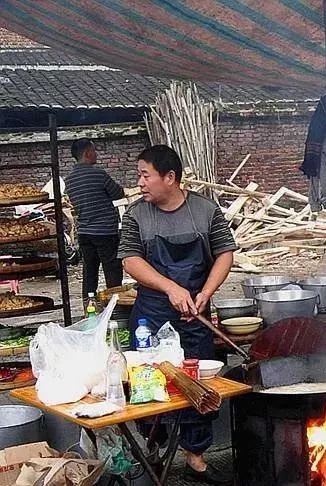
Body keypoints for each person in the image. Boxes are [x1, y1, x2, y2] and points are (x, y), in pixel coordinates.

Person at [118, 145, 236, 485]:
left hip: (194, 315)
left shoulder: (205, 210)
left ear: (170, 178)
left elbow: (224, 253)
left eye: (145, 175)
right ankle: (151, 449)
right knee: (148, 385)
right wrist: (170, 287)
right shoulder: (137, 214)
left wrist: (205, 294)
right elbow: (130, 260)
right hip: (151, 317)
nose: (139, 182)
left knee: (197, 384)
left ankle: (195, 457)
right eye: (139, 175)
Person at [64, 138, 125, 302]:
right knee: (112, 270)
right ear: (87, 153)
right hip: (105, 231)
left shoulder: (69, 180)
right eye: (94, 150)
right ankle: (116, 305)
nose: (96, 154)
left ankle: (88, 306)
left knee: (89, 271)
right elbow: (118, 193)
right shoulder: (98, 174)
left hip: (84, 232)